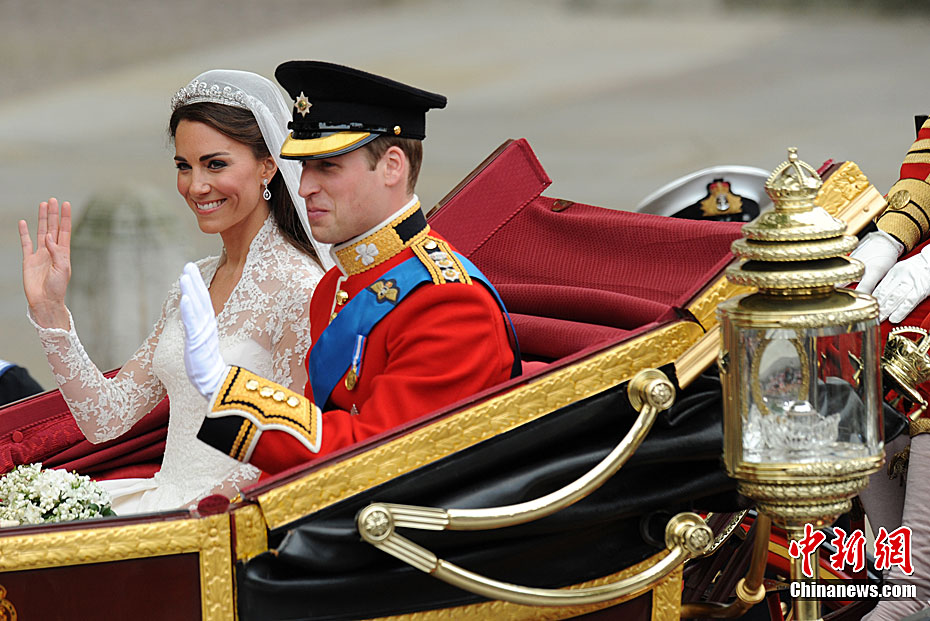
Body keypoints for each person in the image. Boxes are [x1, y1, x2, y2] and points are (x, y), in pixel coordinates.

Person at [179, 61, 521, 474]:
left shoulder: (449, 302)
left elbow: (377, 455)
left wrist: (228, 391)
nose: (304, 186)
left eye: (328, 166)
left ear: (392, 166)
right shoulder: (336, 284)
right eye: (305, 166)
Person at [17, 69, 331, 514]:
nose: (196, 186)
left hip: (219, 520)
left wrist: (183, 520)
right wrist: (50, 312)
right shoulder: (195, 282)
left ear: (268, 165)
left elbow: (287, 449)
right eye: (184, 166)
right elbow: (106, 417)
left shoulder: (301, 286)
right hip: (163, 503)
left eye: (215, 164)